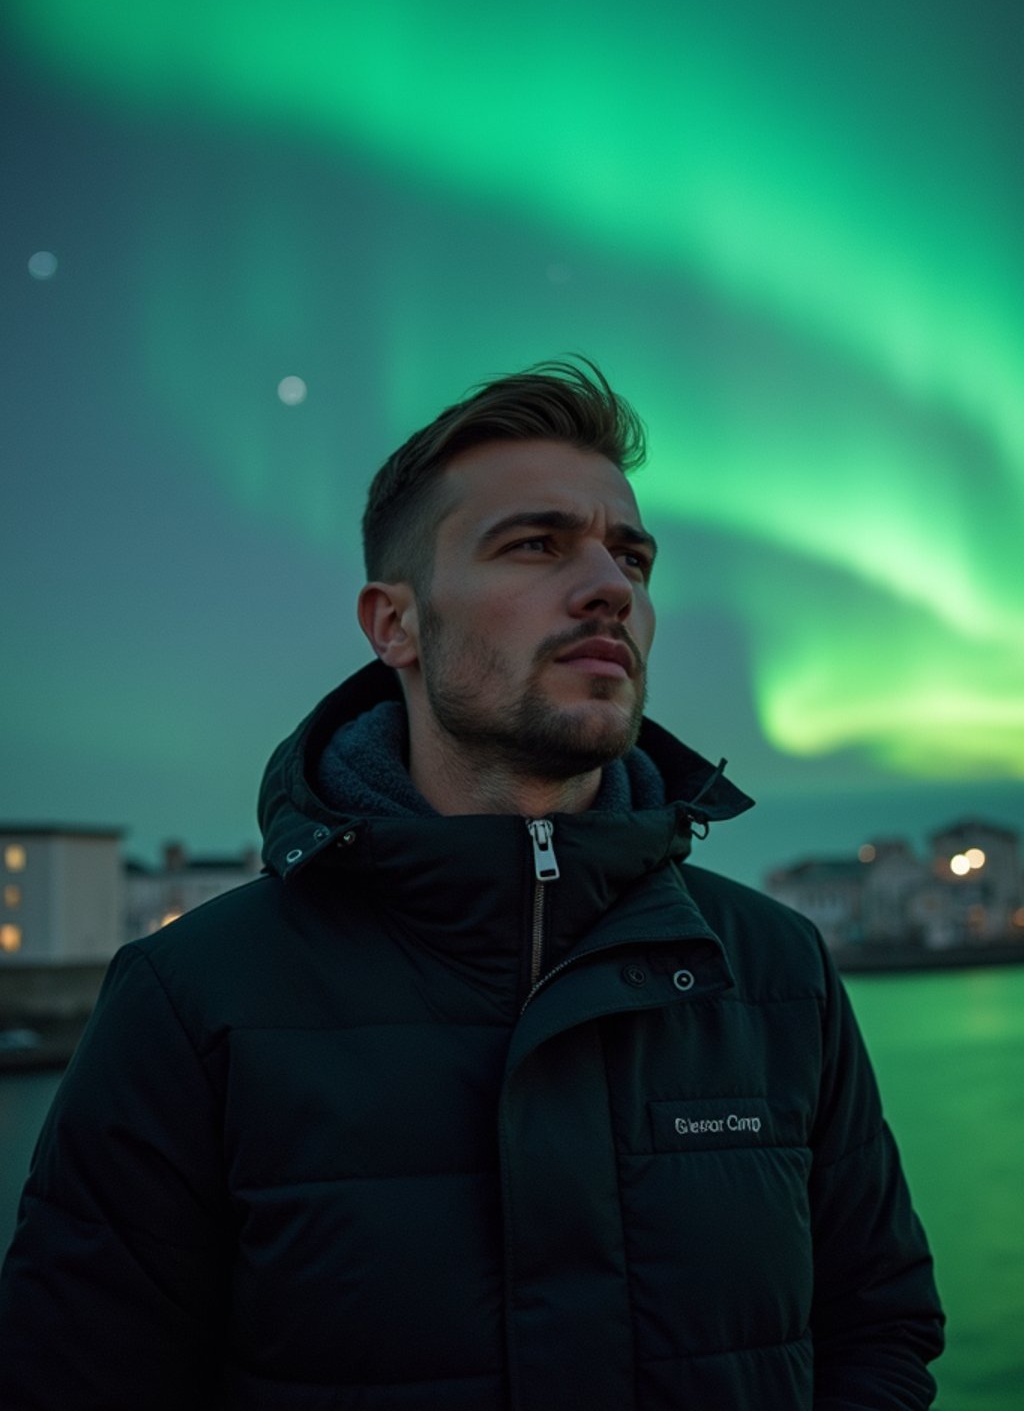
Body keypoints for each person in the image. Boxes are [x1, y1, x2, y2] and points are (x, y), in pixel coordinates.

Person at [0, 360, 943, 1409]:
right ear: (393, 624)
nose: (611, 588)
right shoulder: (192, 1000)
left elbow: (879, 1325)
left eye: (630, 555)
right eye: (536, 544)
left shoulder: (772, 971)